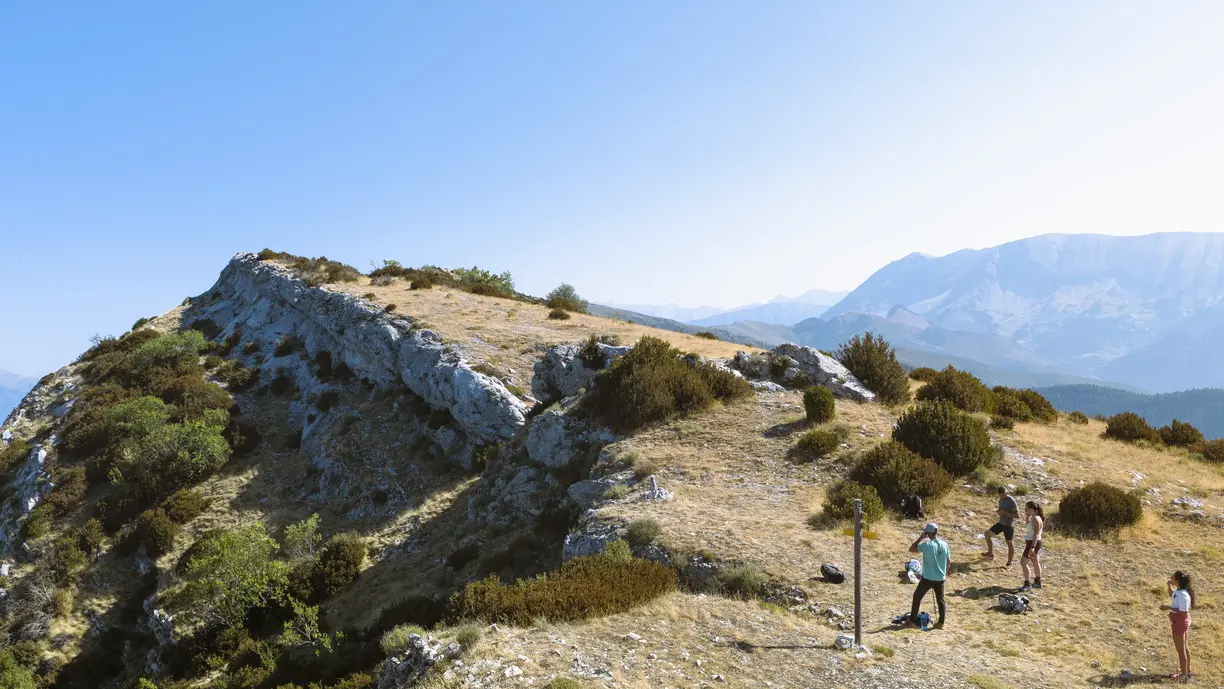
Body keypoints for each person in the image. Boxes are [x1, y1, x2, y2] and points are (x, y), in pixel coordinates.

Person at [909, 522, 950, 628]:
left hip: (928, 578)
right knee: (940, 600)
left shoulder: (927, 545)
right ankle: (941, 622)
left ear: (927, 533)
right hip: (940, 578)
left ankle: (912, 621)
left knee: (917, 597)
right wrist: (944, 573)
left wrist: (920, 538)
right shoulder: (945, 544)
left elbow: (912, 549)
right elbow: (948, 561)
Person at [1161, 571, 1194, 680]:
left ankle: (1183, 676)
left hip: (1180, 622)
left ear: (1178, 581)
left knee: (1181, 650)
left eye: (1172, 577)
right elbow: (1172, 595)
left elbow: (1183, 611)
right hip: (1181, 621)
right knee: (1184, 647)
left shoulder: (1183, 595)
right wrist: (1169, 585)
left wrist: (1168, 608)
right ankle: (1187, 670)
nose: (1170, 578)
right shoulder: (1178, 591)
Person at [982, 486, 1019, 566]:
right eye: (1000, 495)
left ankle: (1009, 563)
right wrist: (999, 512)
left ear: (1006, 492)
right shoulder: (1001, 500)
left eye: (1003, 495)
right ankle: (990, 553)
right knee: (987, 534)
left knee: (1009, 543)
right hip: (1001, 523)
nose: (1002, 497)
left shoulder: (1011, 501)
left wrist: (1005, 513)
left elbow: (1017, 515)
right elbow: (1001, 510)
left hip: (1009, 525)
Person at [1018, 501, 1044, 591]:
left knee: (1023, 563)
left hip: (1032, 544)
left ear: (1032, 509)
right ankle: (1037, 582)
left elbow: (1036, 534)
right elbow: (1028, 526)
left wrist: (1032, 547)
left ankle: (1027, 584)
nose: (1025, 511)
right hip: (1034, 543)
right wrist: (1027, 516)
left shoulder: (1035, 519)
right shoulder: (1034, 518)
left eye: (1027, 509)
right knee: (1035, 562)